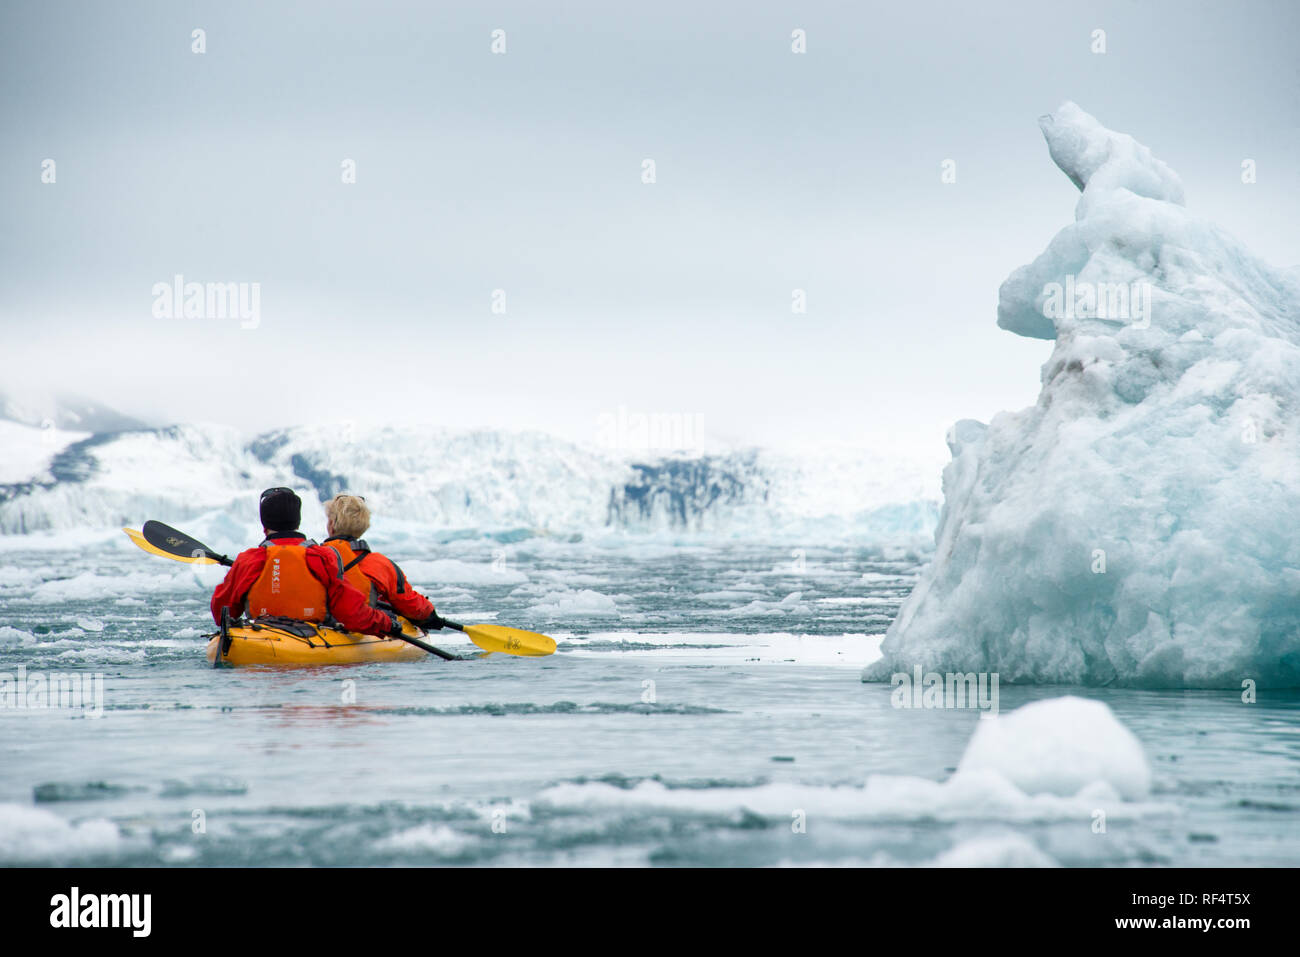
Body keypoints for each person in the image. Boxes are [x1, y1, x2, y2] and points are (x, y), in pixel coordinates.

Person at [210, 487, 404, 637]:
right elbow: (352, 613)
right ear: (298, 521)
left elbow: (222, 614)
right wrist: (387, 623)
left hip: (259, 639)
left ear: (264, 526)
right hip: (313, 639)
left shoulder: (248, 560)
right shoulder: (322, 557)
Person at [321, 493, 442, 630]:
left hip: (319, 628)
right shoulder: (379, 564)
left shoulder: (313, 555)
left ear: (331, 525)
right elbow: (408, 602)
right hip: (361, 628)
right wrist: (430, 614)